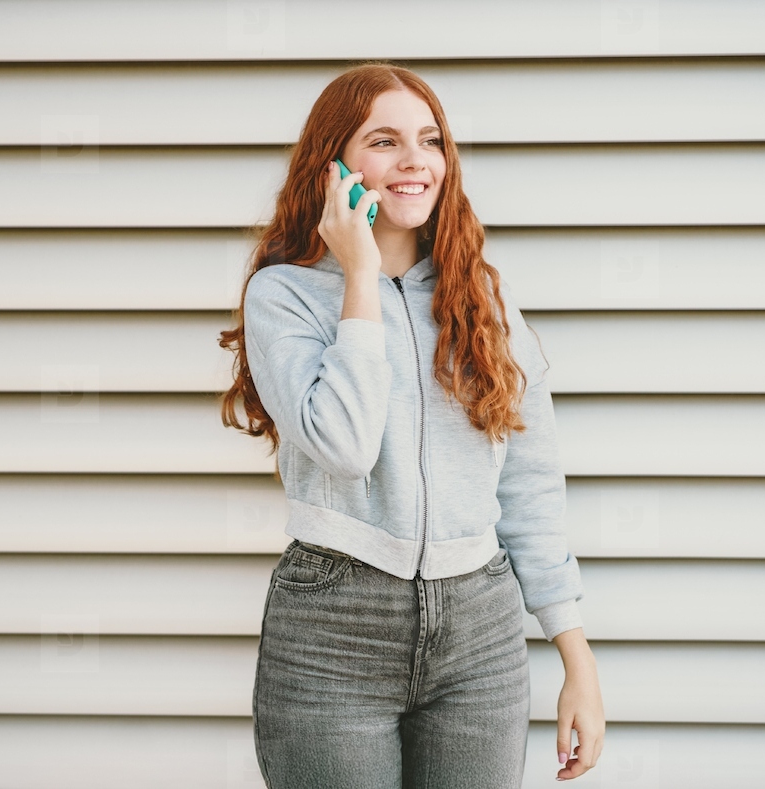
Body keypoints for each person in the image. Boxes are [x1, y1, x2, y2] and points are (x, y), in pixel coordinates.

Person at [219, 62, 604, 788]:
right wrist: (359, 276)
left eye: (430, 141)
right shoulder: (284, 296)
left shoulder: (481, 296)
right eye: (385, 141)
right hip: (333, 631)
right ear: (333, 163)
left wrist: (575, 656)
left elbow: (529, 482)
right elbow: (345, 444)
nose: (415, 161)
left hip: (479, 628)